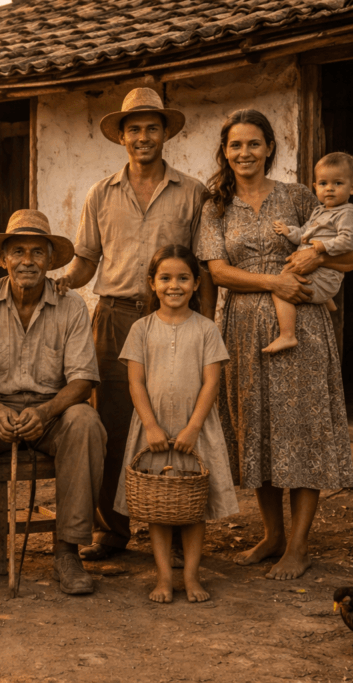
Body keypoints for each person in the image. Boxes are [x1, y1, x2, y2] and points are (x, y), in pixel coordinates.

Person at [195, 110, 353, 581]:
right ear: (225, 151)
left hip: (304, 326)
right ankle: (271, 535)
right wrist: (276, 281)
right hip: (243, 327)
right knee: (259, 430)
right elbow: (217, 271)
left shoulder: (298, 196)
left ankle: (299, 546)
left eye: (254, 144)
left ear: (270, 148)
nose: (245, 153)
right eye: (236, 145)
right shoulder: (215, 206)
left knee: (302, 429)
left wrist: (315, 253)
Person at [55, 87, 213, 563]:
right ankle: (113, 529)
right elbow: (85, 262)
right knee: (113, 425)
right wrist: (54, 285)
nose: (142, 137)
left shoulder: (193, 192)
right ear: (121, 137)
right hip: (115, 318)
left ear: (165, 134)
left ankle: (180, 527)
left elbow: (204, 266)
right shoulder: (100, 193)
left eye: (151, 128)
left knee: (177, 420)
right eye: (133, 129)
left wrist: (204, 324)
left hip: (176, 319)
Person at [0, 210, 106, 595]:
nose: (27, 261)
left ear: (50, 260)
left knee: (86, 423)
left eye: (36, 252)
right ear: (4, 258)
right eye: (17, 251)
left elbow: (82, 380)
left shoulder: (72, 305)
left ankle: (67, 551)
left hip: (53, 412)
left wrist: (46, 411)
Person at [112, 245, 239, 604]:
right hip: (154, 431)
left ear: (196, 284)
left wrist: (193, 427)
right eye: (165, 278)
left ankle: (192, 577)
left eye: (183, 278)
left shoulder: (206, 329)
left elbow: (211, 382)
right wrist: (150, 426)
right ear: (152, 284)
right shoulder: (141, 328)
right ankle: (164, 578)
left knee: (192, 507)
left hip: (194, 429)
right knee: (160, 507)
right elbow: (135, 382)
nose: (174, 285)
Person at [264, 152, 353, 354]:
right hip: (315, 273)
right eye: (323, 183)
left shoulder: (347, 214)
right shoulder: (320, 211)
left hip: (324, 274)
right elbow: (304, 234)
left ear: (352, 187)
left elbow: (348, 241)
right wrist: (289, 231)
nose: (329, 188)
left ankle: (287, 335)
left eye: (338, 183)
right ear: (315, 187)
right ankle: (327, 299)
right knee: (287, 274)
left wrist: (321, 247)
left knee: (281, 286)